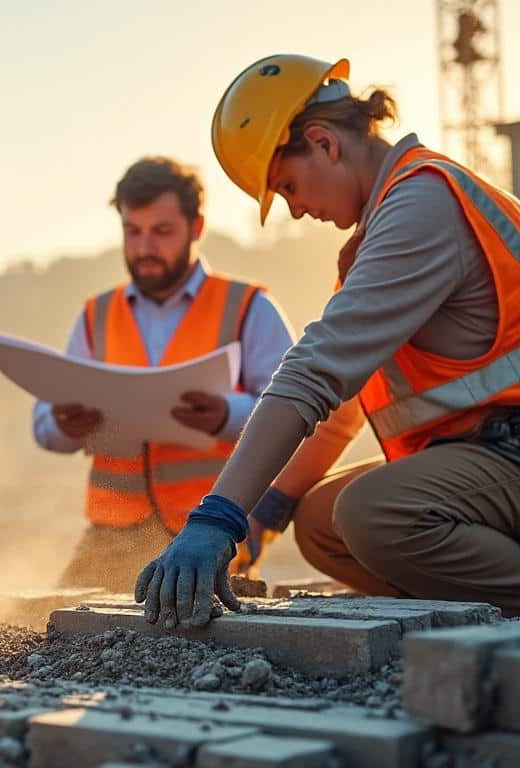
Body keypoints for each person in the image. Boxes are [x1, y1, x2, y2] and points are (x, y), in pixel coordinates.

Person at [137, 53, 520, 628]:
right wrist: (267, 506)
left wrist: (217, 516)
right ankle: (473, 610)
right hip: (489, 451)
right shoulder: (388, 221)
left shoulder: (423, 203)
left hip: (505, 448)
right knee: (320, 522)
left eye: (287, 185)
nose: (294, 209)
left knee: (376, 515)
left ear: (323, 142)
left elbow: (315, 375)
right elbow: (342, 404)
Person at [34, 157, 293, 591]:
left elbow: (293, 416)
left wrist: (225, 414)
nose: (144, 247)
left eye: (161, 231)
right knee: (54, 627)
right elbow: (44, 427)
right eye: (132, 231)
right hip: (109, 536)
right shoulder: (95, 315)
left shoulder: (249, 308)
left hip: (211, 532)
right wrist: (64, 425)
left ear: (197, 227)